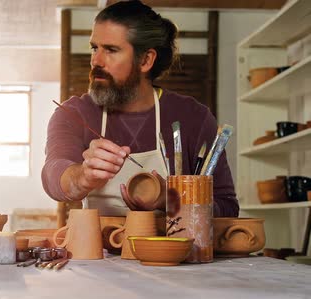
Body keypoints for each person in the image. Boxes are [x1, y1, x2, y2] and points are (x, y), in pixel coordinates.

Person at [42, 1, 238, 217]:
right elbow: (53, 173)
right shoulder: (75, 113)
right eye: (94, 48)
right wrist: (82, 177)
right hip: (102, 250)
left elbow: (227, 207)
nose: (95, 61)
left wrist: (172, 200)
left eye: (111, 50)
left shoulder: (193, 118)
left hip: (175, 251)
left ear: (145, 60)